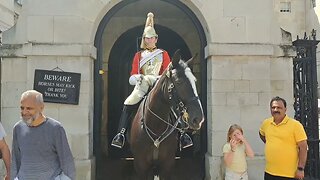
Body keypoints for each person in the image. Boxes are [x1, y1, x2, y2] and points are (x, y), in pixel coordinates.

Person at [111, 12, 193, 149]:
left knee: (174, 101)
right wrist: (137, 77)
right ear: (144, 39)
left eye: (152, 38)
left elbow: (167, 71)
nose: (150, 40)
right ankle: (121, 134)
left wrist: (157, 78)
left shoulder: (163, 53)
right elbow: (133, 74)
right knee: (128, 102)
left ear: (156, 39)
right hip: (142, 84)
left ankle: (183, 134)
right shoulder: (138, 55)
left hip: (158, 83)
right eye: (147, 38)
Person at [11, 90, 76, 180]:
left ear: (41, 108)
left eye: (29, 108)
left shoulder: (55, 128)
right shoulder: (18, 128)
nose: (24, 112)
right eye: (22, 108)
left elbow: (67, 161)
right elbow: (15, 160)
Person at [259, 96, 308, 180]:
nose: (275, 110)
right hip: (269, 172)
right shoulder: (266, 123)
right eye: (273, 107)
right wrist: (271, 144)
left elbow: (303, 147)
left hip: (289, 174)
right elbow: (261, 134)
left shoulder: (295, 125)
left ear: (285, 109)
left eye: (279, 107)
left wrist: (300, 169)